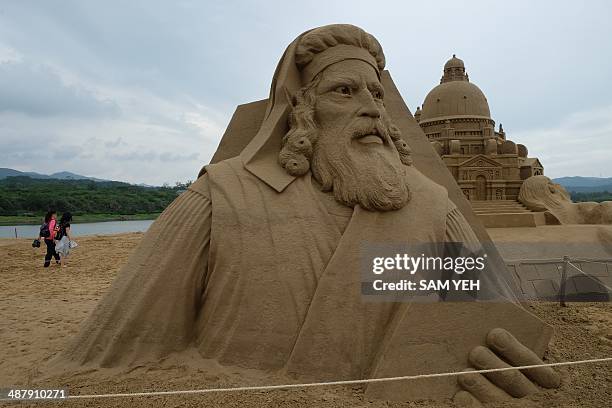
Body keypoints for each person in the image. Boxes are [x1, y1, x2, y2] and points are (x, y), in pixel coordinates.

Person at [58, 25, 559, 404]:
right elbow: (108, 360)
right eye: (344, 91)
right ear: (302, 109)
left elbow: (493, 320)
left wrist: (501, 363)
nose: (370, 108)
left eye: (377, 94)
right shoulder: (222, 197)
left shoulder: (433, 206)